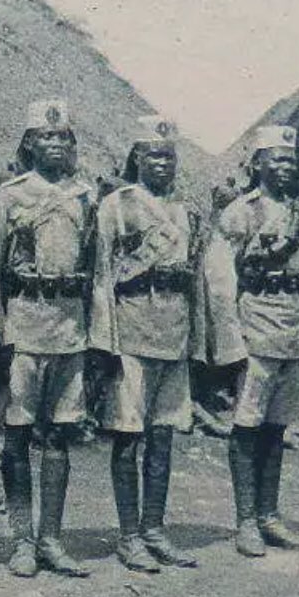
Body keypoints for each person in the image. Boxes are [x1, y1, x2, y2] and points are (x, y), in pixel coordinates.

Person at [89, 116, 203, 572]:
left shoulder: (184, 212)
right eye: (154, 155)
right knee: (128, 436)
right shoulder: (117, 206)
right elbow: (101, 276)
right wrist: (104, 341)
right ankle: (129, 534)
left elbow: (192, 283)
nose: (162, 164)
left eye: (169, 156)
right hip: (131, 332)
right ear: (136, 157)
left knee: (163, 436)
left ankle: (155, 527)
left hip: (172, 333)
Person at [0, 99, 95, 578]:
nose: (55, 144)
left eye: (63, 138)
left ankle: (52, 537)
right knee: (16, 433)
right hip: (23, 325)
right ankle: (21, 539)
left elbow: (98, 269)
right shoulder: (9, 197)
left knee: (59, 435)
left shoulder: (85, 196)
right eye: (45, 137)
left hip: (69, 327)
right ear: (29, 144)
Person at [203, 124, 299, 557]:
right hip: (256, 331)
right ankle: (246, 521)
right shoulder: (241, 213)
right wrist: (232, 344)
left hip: (293, 334)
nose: (286, 167)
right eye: (277, 159)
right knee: (247, 427)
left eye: (291, 159)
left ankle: (271, 517)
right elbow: (219, 281)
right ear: (258, 164)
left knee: (277, 428)